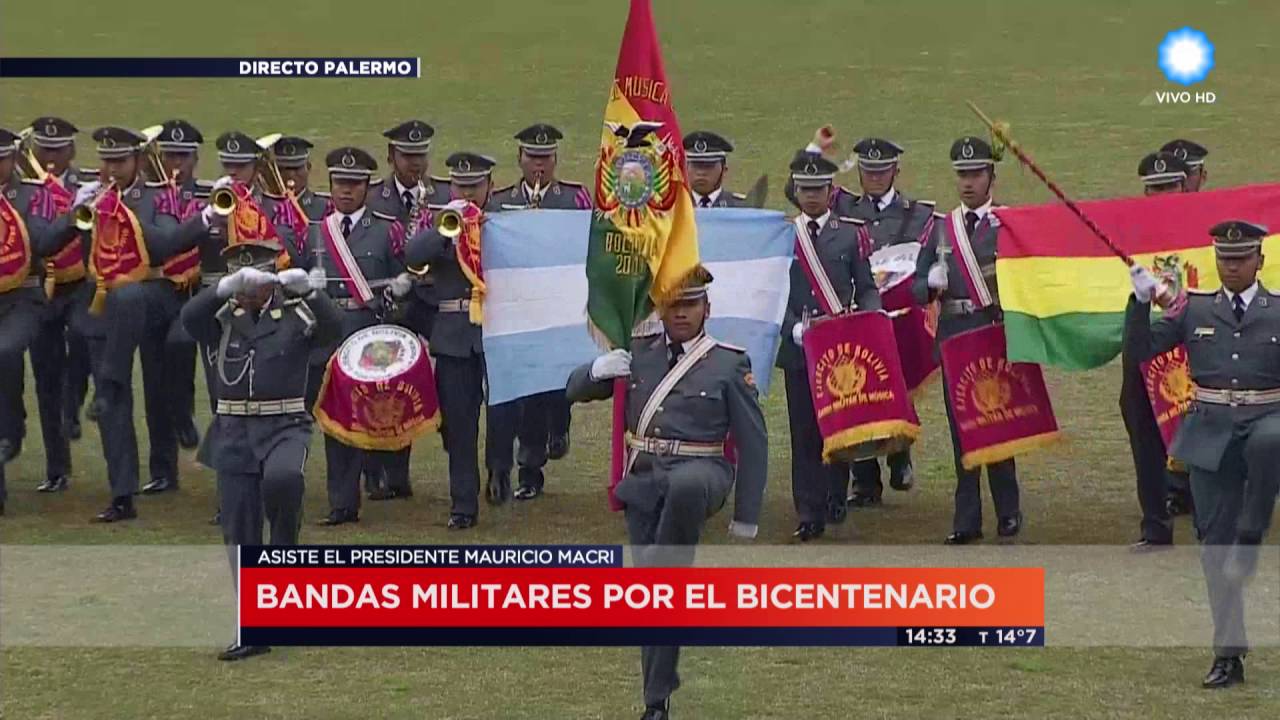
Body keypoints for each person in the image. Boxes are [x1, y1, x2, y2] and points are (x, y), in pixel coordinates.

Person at [565, 267, 766, 720]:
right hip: (644, 482)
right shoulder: (638, 354)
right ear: (659, 308)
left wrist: (747, 515)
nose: (681, 314)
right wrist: (596, 368)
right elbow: (572, 391)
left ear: (706, 309)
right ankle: (656, 701)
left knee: (684, 487)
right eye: (673, 305)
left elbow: (753, 441)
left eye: (690, 305)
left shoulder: (729, 362)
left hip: (704, 471)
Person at [1127, 219, 1280, 689]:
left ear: (1259, 260)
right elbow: (1141, 350)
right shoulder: (1192, 310)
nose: (1231, 267)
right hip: (1212, 436)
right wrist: (1136, 304)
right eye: (1224, 259)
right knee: (1217, 547)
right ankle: (1228, 653)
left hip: (1269, 430)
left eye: (1240, 259)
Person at [42, 126, 214, 522]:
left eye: (119, 160)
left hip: (150, 297)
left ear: (137, 160)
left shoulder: (156, 197)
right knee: (113, 405)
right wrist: (74, 216)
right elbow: (46, 246)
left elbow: (165, 245)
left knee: (156, 387)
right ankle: (122, 495)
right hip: (105, 303)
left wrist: (124, 215)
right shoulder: (92, 198)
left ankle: (163, 469)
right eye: (106, 160)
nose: (111, 168)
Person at [180, 241, 340, 662]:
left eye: (255, 282)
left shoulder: (296, 314)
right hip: (233, 429)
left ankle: (285, 553)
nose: (247, 293)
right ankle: (254, 626)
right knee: (240, 529)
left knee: (284, 481)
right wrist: (218, 289)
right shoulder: (222, 317)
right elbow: (188, 318)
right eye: (241, 283)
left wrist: (310, 292)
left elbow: (334, 329)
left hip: (284, 424)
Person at [913, 136, 1021, 545]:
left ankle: (1008, 511)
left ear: (991, 175)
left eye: (976, 174)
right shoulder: (942, 227)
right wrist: (929, 285)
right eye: (962, 174)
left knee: (998, 421)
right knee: (962, 427)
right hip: (955, 335)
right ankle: (966, 519)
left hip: (993, 331)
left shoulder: (1006, 224)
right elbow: (914, 288)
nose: (968, 183)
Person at [404, 151, 516, 528]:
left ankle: (500, 468)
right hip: (453, 338)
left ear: (490, 187)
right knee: (458, 425)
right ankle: (463, 505)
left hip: (497, 334)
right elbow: (413, 255)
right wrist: (445, 230)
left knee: (501, 415)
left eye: (474, 186)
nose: (467, 192)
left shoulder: (502, 223)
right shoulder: (441, 223)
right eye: (460, 185)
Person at [778, 151, 881, 540]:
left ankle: (836, 495)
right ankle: (808, 511)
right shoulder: (784, 236)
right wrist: (792, 329)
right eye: (803, 189)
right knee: (803, 430)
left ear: (830, 190)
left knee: (837, 425)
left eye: (817, 189)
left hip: (840, 348)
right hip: (800, 348)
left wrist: (871, 319)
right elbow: (774, 295)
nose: (810, 196)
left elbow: (867, 288)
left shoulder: (851, 234)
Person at [306, 147, 411, 526]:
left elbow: (404, 284)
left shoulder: (386, 230)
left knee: (374, 417)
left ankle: (386, 477)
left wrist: (397, 296)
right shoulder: (316, 230)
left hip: (369, 337)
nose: (345, 191)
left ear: (368, 186)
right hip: (326, 336)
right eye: (339, 183)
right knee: (336, 423)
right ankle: (342, 502)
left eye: (354, 184)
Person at [493, 123, 591, 499]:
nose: (539, 164)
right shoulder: (501, 202)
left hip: (563, 309)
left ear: (556, 160)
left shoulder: (575, 198)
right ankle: (529, 473)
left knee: (559, 386)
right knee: (527, 394)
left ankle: (560, 424)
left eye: (545, 157)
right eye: (532, 157)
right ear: (519, 159)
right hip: (520, 312)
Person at [838, 137, 936, 508]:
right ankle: (865, 482)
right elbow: (795, 189)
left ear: (896, 170)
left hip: (896, 317)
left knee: (893, 388)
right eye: (867, 170)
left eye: (881, 171)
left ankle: (899, 454)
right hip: (855, 313)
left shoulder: (917, 214)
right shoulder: (844, 206)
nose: (874, 177)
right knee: (855, 392)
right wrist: (821, 150)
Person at [1122, 151, 1193, 550]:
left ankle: (1206, 510)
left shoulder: (1206, 231)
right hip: (1146, 349)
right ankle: (1155, 524)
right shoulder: (1130, 233)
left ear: (1185, 187)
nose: (1162, 195)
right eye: (1154, 189)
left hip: (1195, 348)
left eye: (1169, 186)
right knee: (1145, 439)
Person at [0, 127, 67, 514]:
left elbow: (41, 242)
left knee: (7, 350)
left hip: (22, 296)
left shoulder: (31, 195)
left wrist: (75, 219)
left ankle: (13, 426)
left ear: (13, 159)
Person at [28, 116, 95, 442]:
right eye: (43, 149)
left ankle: (72, 406)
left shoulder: (88, 185)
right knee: (45, 370)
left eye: (58, 149)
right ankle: (57, 466)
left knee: (83, 338)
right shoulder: (23, 188)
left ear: (71, 149)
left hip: (80, 282)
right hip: (40, 285)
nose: (50, 157)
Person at [153, 118, 210, 456]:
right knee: (154, 374)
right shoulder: (151, 197)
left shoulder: (210, 193)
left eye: (183, 157)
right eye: (170, 156)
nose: (177, 164)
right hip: (158, 288)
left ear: (194, 160)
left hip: (197, 290)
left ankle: (183, 412)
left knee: (180, 342)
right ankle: (162, 470)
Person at [681, 131, 748, 208]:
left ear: (724, 170)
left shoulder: (742, 209)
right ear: (685, 168)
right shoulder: (673, 208)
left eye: (708, 166)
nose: (701, 172)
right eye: (695, 166)